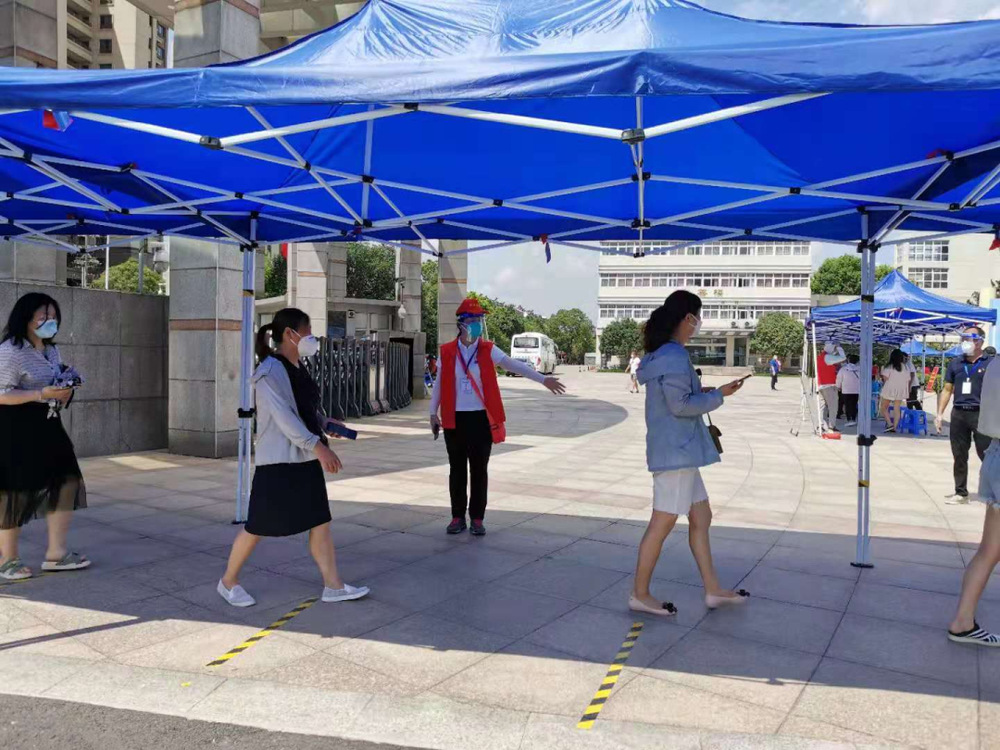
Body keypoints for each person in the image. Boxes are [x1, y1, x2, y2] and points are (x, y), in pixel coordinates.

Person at [218, 308, 368, 607]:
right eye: (308, 332)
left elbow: (304, 410)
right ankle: (228, 582)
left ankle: (333, 586)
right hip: (279, 463)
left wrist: (325, 424)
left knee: (320, 521)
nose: (312, 338)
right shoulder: (269, 372)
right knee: (257, 527)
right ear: (290, 334)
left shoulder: (298, 367)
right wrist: (319, 447)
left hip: (304, 459)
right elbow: (285, 418)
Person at [629, 290, 749, 617]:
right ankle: (640, 594)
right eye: (698, 316)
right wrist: (719, 395)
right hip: (677, 453)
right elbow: (680, 406)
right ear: (687, 318)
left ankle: (713, 590)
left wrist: (703, 392)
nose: (699, 323)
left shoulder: (662, 354)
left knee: (701, 516)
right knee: (663, 521)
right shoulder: (674, 355)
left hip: (678, 450)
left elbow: (677, 396)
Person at [430, 297, 565, 536]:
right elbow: (439, 384)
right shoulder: (447, 351)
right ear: (462, 323)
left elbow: (513, 365)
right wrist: (433, 413)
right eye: (474, 320)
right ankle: (457, 517)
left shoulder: (488, 349)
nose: (478, 324)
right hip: (454, 419)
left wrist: (543, 379)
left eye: (480, 320)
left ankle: (477, 518)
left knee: (479, 470)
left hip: (482, 419)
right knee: (457, 470)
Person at [0, 293, 88, 580]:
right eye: (43, 317)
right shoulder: (11, 351)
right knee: (15, 490)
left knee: (67, 481)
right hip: (15, 426)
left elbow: (54, 381)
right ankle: (8, 559)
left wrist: (65, 389)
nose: (50, 322)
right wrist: (39, 394)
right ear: (26, 319)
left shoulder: (51, 351)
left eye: (53, 317)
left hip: (48, 423)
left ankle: (56, 554)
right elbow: (1, 394)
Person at [948, 354, 1000, 646]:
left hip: (995, 453)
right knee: (990, 550)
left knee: (989, 550)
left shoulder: (994, 365)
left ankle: (963, 621)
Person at [937, 327, 991, 504]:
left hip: (982, 414)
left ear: (979, 341)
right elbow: (947, 389)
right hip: (959, 413)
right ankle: (961, 493)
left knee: (987, 455)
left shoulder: (991, 363)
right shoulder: (956, 363)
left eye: (968, 338)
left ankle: (993, 492)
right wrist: (939, 414)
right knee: (959, 455)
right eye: (963, 339)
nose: (964, 342)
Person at [881, 349, 911, 433]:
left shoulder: (889, 366)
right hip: (901, 389)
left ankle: (889, 423)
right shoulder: (905, 367)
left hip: (889, 388)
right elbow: (908, 379)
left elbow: (885, 378)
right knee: (897, 408)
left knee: (883, 407)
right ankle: (894, 427)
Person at [817, 342, 844, 433]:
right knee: (833, 407)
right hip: (829, 385)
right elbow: (843, 358)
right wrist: (839, 348)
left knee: (821, 407)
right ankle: (831, 426)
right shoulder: (827, 357)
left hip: (820, 384)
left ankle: (821, 425)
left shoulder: (820, 357)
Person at [836, 354, 861, 427]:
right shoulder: (860, 369)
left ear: (849, 360)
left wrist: (838, 386)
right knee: (854, 404)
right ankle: (853, 418)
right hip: (856, 390)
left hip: (846, 390)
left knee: (847, 405)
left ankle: (849, 419)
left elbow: (839, 378)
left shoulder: (843, 369)